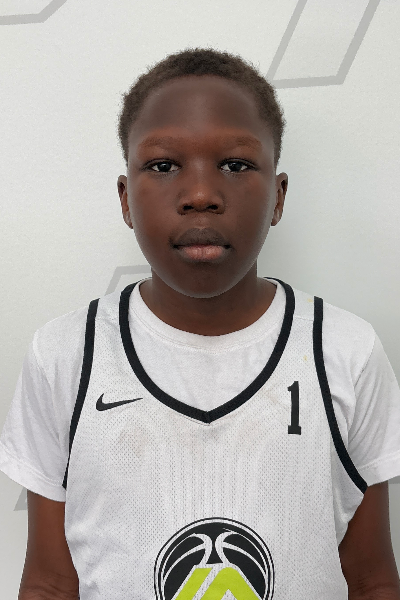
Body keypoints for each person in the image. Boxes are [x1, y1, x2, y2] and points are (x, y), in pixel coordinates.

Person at [1, 47, 400, 600]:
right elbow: (48, 583)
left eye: (235, 165)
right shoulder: (66, 355)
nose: (200, 196)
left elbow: (372, 579)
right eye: (164, 166)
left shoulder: (345, 352)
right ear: (125, 199)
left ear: (279, 196)